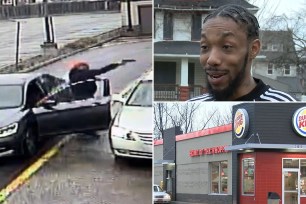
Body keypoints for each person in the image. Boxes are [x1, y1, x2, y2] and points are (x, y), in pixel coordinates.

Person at [188, 4, 296, 102]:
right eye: (205, 47)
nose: (211, 59)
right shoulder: (192, 109)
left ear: (253, 49)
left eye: (226, 47)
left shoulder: (285, 108)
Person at [68, 59, 134, 100]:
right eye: (85, 66)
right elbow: (102, 70)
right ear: (80, 67)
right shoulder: (87, 73)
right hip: (87, 95)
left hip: (76, 96)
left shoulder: (72, 76)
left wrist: (95, 79)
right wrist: (117, 64)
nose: (86, 68)